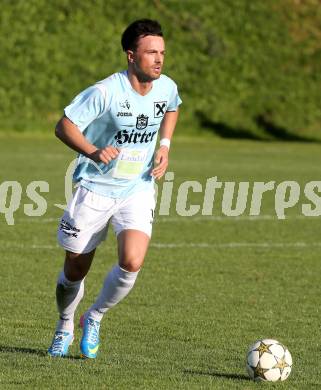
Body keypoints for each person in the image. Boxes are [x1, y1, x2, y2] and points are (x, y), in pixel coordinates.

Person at [48, 19, 182, 358]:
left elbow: (173, 106)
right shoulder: (106, 91)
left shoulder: (166, 87)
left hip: (137, 187)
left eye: (162, 52)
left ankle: (94, 317)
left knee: (132, 261)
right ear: (131, 56)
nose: (159, 59)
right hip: (94, 187)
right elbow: (64, 126)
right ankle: (65, 323)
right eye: (151, 52)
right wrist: (93, 151)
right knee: (75, 269)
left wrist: (164, 146)